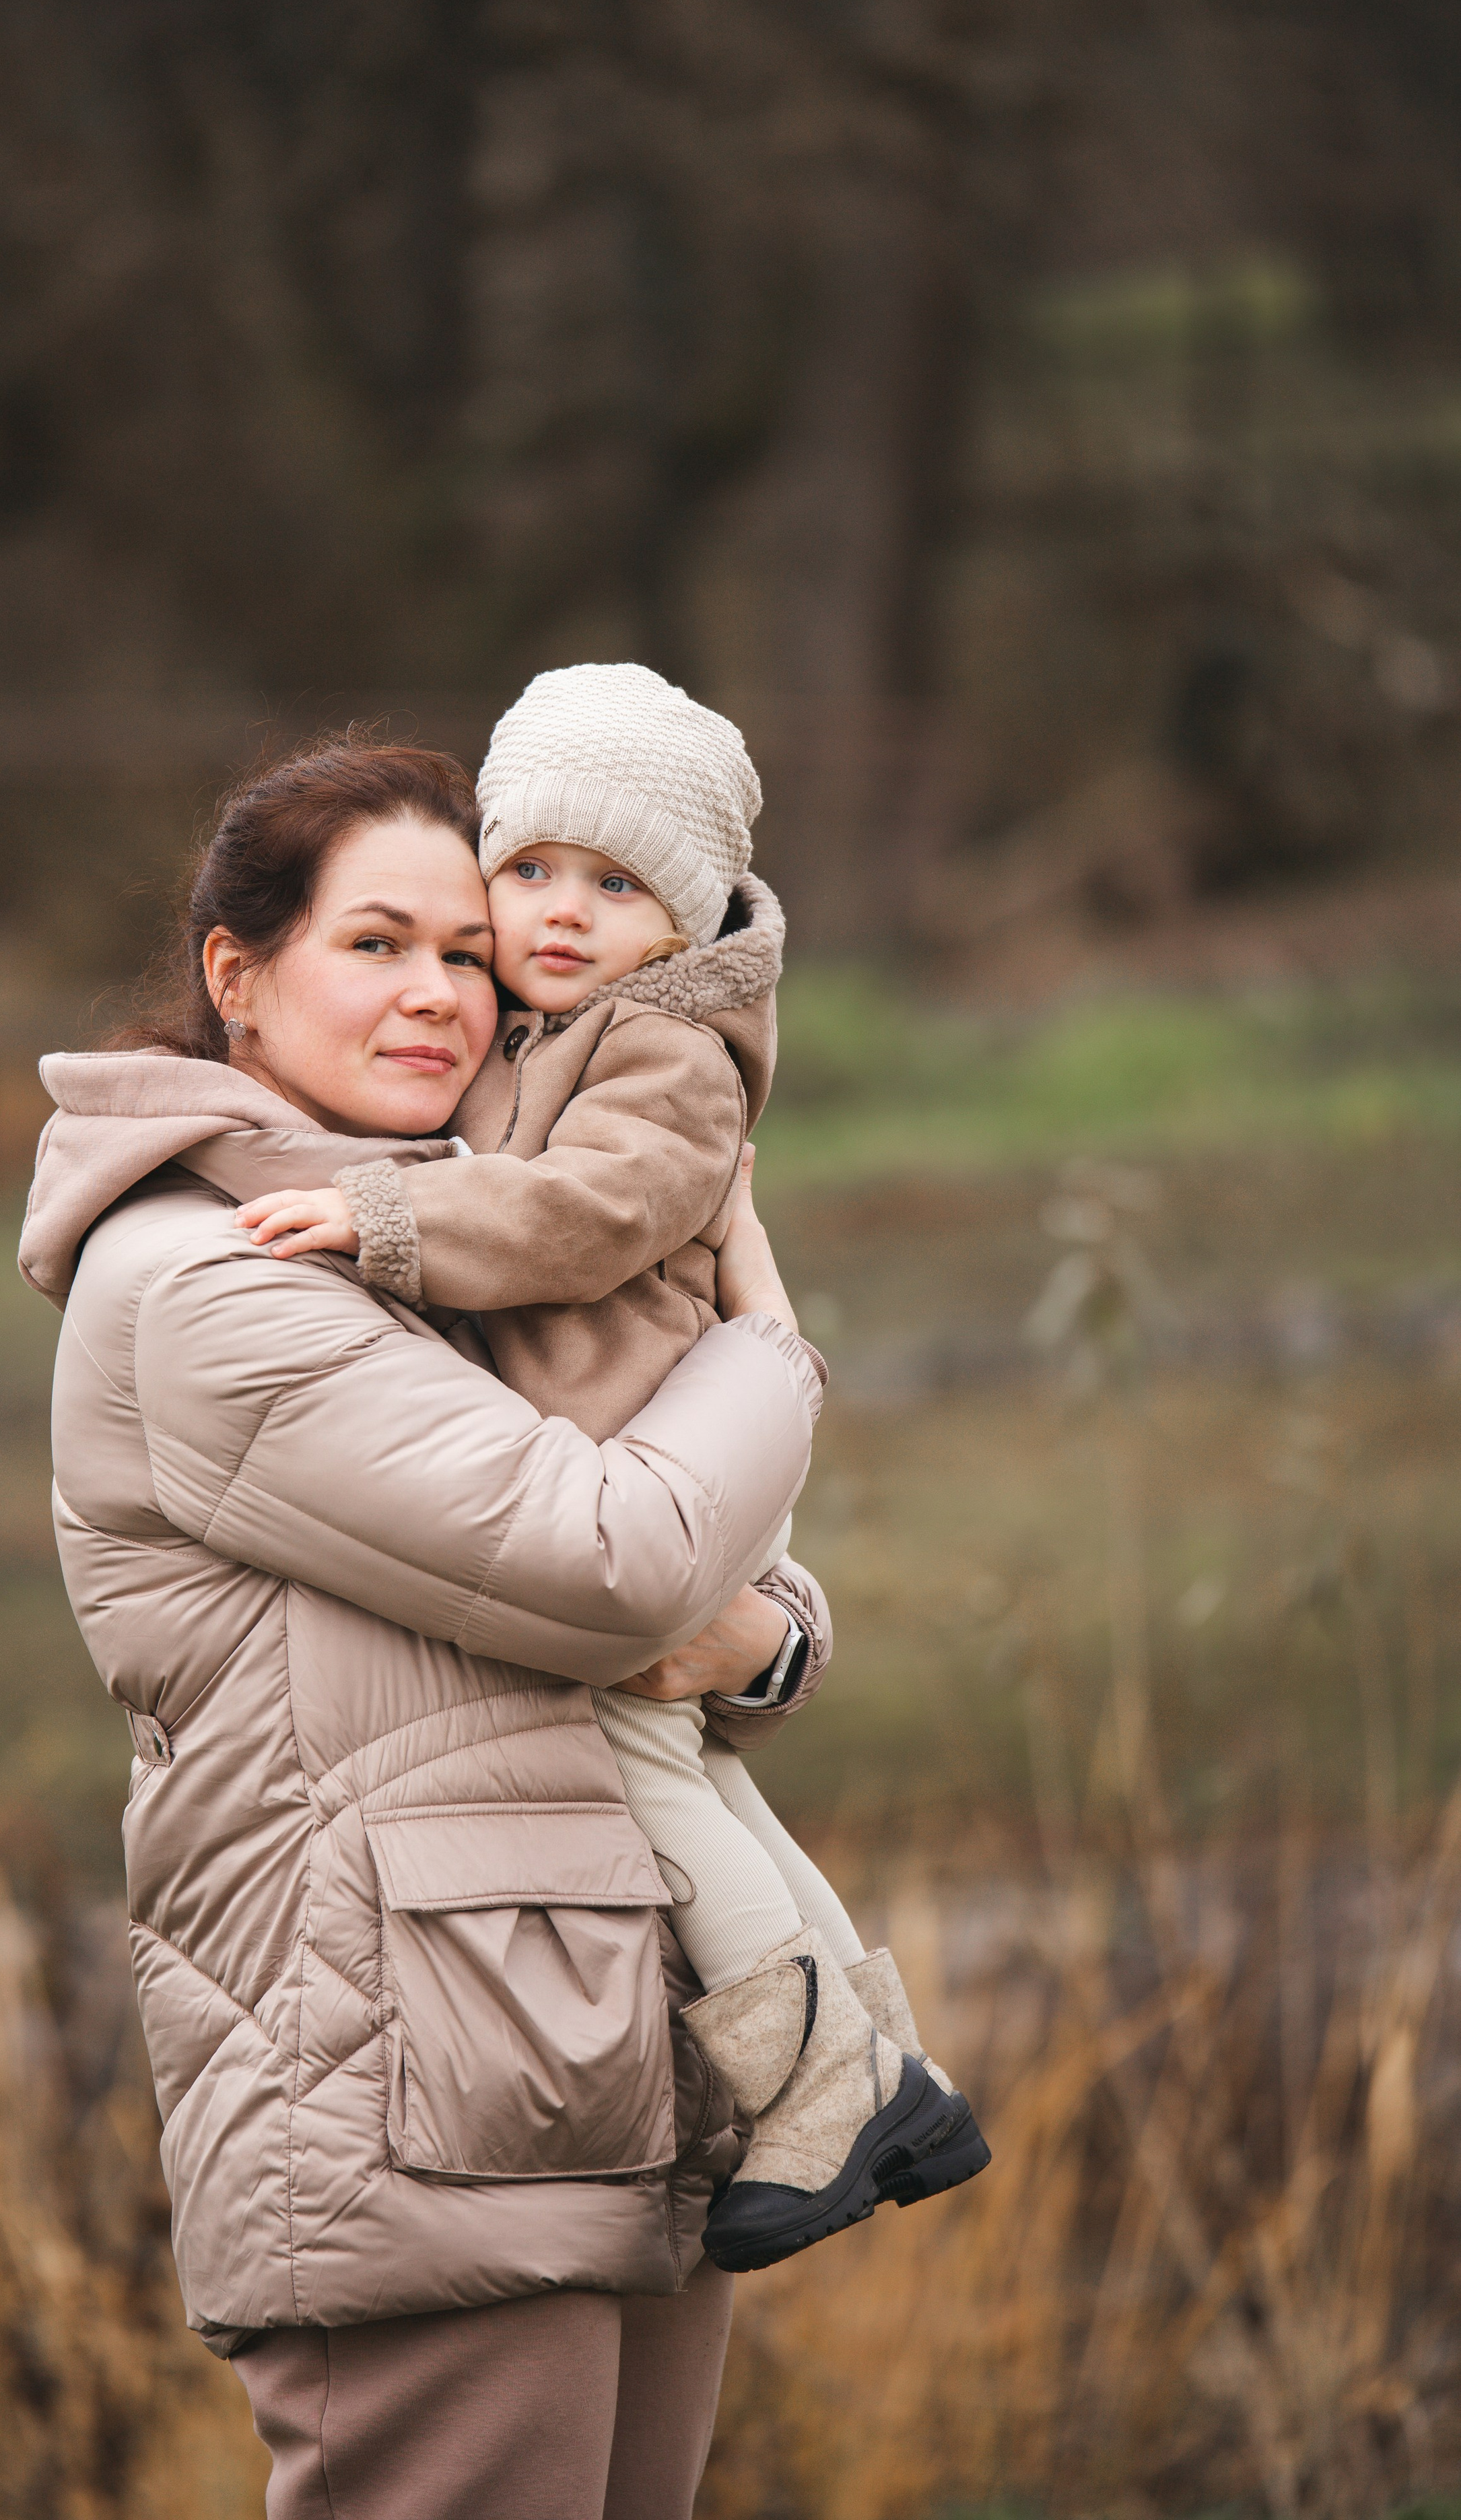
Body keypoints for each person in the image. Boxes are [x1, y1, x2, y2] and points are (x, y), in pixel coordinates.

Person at [20, 736, 835, 2520]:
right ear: (237, 977)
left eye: (468, 954)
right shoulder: (208, 1286)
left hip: (588, 2050)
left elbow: (677, 1599)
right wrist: (767, 1341)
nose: (438, 997)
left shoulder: (427, 1235)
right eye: (376, 945)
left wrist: (769, 1643)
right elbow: (614, 1561)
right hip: (404, 2095)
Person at [224, 667, 988, 2276]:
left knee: (643, 1760)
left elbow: (583, 1218)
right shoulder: (539, 1024)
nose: (558, 914)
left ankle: (807, 2080)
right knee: (699, 1766)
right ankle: (878, 2051)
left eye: (617, 883)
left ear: (691, 913)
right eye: (531, 871)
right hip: (653, 1444)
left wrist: (388, 1225)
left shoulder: (665, 1055)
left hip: (671, 1448)